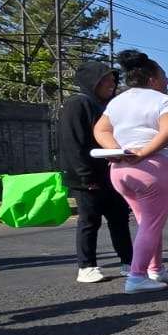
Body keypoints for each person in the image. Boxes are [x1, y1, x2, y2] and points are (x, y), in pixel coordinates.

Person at [93, 49, 168, 294]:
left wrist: (120, 150)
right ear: (153, 79)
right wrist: (143, 153)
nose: (167, 80)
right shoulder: (163, 101)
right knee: (152, 224)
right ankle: (136, 277)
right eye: (164, 76)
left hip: (120, 171)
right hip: (153, 169)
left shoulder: (117, 101)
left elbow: (100, 130)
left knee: (147, 223)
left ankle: (156, 269)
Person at [59, 58, 135, 283]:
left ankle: (128, 262)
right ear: (92, 82)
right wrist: (85, 176)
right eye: (106, 81)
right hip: (88, 176)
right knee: (89, 220)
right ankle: (87, 266)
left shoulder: (107, 106)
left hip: (111, 174)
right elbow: (72, 143)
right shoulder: (77, 104)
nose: (111, 85)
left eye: (113, 80)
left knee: (120, 219)